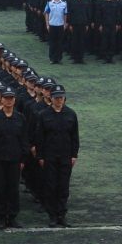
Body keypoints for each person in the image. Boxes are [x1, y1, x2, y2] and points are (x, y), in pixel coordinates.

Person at [35, 86, 80, 227]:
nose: (59, 100)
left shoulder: (71, 114)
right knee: (51, 186)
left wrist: (74, 155)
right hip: (49, 156)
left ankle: (62, 215)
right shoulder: (44, 115)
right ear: (51, 99)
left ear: (64, 99)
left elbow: (74, 136)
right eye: (56, 98)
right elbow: (39, 137)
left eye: (61, 98)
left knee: (63, 186)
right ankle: (52, 215)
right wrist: (41, 156)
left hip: (66, 156)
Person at [0, 87, 29, 229]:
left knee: (13, 188)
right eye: (6, 98)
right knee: (0, 188)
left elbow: (24, 140)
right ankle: (2, 217)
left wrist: (22, 159)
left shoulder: (20, 118)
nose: (9, 101)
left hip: (15, 159)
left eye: (11, 98)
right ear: (1, 99)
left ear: (14, 101)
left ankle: (13, 216)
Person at [44, 0, 68, 65]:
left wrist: (65, 23)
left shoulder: (64, 3)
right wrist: (47, 24)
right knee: (52, 43)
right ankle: (52, 58)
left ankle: (58, 58)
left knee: (60, 43)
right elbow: (46, 13)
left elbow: (65, 14)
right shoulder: (49, 3)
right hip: (52, 25)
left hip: (60, 25)